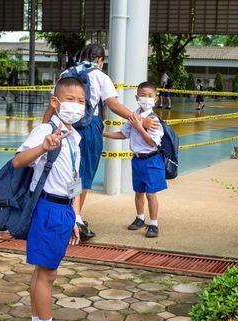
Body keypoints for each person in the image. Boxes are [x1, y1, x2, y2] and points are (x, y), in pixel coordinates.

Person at [42, 43, 159, 241]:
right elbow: (112, 104)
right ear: (99, 60)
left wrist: (43, 129)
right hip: (89, 128)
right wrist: (139, 120)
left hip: (65, 127)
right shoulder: (100, 76)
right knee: (84, 175)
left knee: (69, 171)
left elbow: (52, 106)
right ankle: (76, 219)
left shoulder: (66, 74)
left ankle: (68, 214)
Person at [13, 76, 84, 321]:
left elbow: (73, 181)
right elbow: (18, 160)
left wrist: (75, 217)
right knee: (47, 274)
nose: (76, 106)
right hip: (48, 208)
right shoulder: (45, 130)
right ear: (55, 102)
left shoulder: (74, 137)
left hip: (63, 209)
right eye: (70, 100)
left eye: (81, 102)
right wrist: (44, 146)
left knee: (43, 270)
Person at [103, 82, 167, 238]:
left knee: (151, 194)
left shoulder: (154, 120)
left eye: (150, 96)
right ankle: (140, 218)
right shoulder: (133, 116)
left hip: (151, 160)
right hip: (137, 160)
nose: (146, 98)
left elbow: (152, 142)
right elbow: (123, 134)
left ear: (156, 99)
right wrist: (104, 134)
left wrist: (139, 127)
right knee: (138, 192)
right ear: (136, 97)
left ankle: (153, 224)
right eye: (143, 95)